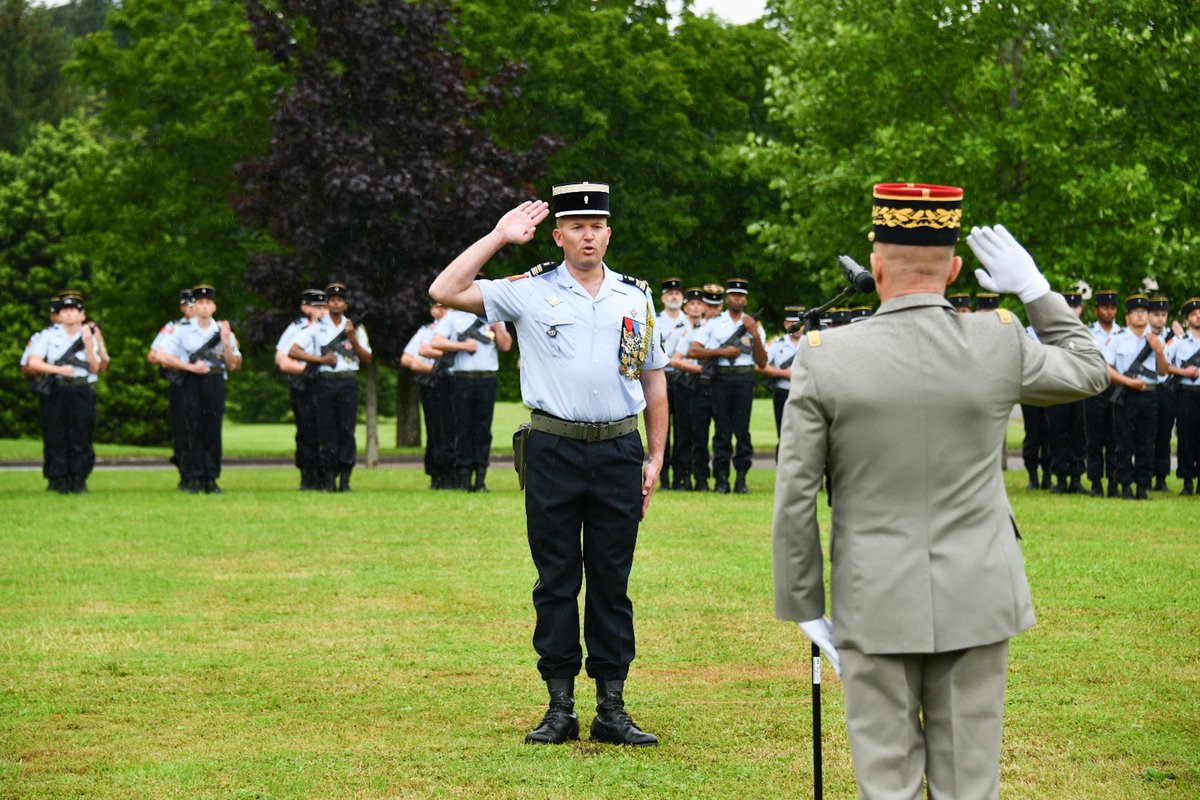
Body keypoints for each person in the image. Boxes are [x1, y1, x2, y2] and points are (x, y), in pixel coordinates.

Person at [772, 183, 1109, 800]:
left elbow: (795, 494)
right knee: (968, 785)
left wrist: (805, 603)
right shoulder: (1000, 338)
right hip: (977, 591)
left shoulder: (824, 355)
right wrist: (1035, 290)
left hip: (871, 595)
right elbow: (1089, 367)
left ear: (875, 266)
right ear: (955, 269)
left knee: (886, 782)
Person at [429, 181, 667, 748]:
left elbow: (653, 379)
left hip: (618, 450)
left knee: (612, 580)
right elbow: (444, 287)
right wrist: (498, 235)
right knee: (557, 579)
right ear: (558, 235)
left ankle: (612, 705)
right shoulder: (528, 292)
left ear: (609, 233)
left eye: (598, 226)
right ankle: (560, 706)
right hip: (553, 450)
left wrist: (656, 455)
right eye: (577, 227)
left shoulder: (634, 297)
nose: (589, 235)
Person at [157, 284, 242, 494]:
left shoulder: (223, 331)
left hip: (214, 381)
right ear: (194, 306)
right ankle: (193, 476)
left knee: (212, 430)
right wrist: (188, 366)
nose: (204, 307)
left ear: (214, 306)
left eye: (208, 303)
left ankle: (211, 477)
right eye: (200, 303)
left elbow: (233, 364)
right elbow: (163, 355)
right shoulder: (181, 330)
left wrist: (226, 342)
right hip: (191, 381)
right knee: (193, 428)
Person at [289, 282, 372, 492]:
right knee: (326, 430)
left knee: (347, 430)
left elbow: (367, 358)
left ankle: (345, 477)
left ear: (345, 304)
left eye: (340, 300)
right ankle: (328, 477)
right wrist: (320, 359)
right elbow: (294, 351)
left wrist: (352, 338)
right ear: (328, 303)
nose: (336, 303)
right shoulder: (317, 328)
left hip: (348, 381)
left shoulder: (355, 328)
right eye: (332, 300)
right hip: (324, 382)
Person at [688, 277, 767, 493]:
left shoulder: (753, 324)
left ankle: (741, 478)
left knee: (742, 430)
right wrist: (721, 352)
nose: (737, 298)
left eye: (741, 295)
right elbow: (693, 351)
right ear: (727, 298)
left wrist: (754, 334)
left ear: (746, 300)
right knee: (722, 430)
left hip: (744, 379)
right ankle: (721, 479)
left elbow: (762, 362)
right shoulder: (714, 324)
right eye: (733, 295)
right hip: (721, 379)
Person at [431, 298, 511, 492]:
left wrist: (499, 326)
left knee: (483, 430)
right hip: (462, 379)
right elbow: (436, 341)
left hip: (487, 379)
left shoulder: (493, 317)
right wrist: (462, 346)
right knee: (463, 428)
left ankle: (481, 478)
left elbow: (506, 346)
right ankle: (464, 477)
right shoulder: (453, 317)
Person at [26, 293, 102, 493]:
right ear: (58, 315)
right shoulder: (48, 335)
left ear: (81, 315)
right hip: (57, 389)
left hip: (81, 388)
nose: (68, 314)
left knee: (82, 434)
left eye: (73, 310)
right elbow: (34, 361)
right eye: (64, 311)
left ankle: (79, 478)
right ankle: (58, 478)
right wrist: (58, 370)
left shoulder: (90, 335)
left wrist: (89, 344)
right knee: (55, 434)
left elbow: (96, 367)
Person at [1104, 294, 1167, 500]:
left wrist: (1159, 352)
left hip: (1149, 395)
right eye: (1136, 312)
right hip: (1126, 395)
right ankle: (1125, 486)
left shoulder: (1155, 339)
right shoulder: (1118, 338)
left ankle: (1142, 486)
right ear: (1128, 317)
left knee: (1146, 442)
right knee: (1123, 443)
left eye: (1144, 312)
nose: (1140, 316)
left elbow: (1164, 371)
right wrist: (1128, 382)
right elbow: (1107, 368)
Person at [275, 289, 324, 490]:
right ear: (305, 308)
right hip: (304, 384)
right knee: (306, 430)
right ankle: (307, 474)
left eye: (324, 306)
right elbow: (281, 358)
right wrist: (304, 369)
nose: (321, 311)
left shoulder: (331, 329)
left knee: (326, 430)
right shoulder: (296, 328)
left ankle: (326, 474)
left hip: (326, 384)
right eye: (316, 306)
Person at [401, 301, 453, 489]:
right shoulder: (426, 331)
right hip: (433, 384)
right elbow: (408, 358)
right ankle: (436, 473)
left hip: (454, 383)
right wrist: (430, 366)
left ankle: (454, 471)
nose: (440, 309)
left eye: (444, 306)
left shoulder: (458, 327)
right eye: (436, 306)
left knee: (453, 430)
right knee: (435, 430)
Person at [148, 289, 196, 487]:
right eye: (189, 305)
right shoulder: (172, 328)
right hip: (182, 381)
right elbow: (154, 355)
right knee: (181, 429)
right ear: (182, 307)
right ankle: (186, 472)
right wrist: (175, 362)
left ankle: (204, 473)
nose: (192, 309)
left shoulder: (214, 329)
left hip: (206, 381)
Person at [1045, 290, 1089, 493]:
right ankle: (1060, 478)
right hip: (1057, 388)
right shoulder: (1049, 330)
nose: (1073, 310)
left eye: (1076, 306)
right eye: (1068, 306)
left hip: (1079, 389)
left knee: (1078, 434)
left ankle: (1076, 478)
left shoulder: (1086, 332)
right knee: (1058, 433)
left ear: (1081, 308)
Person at [667, 287, 707, 490]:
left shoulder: (708, 328)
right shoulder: (679, 330)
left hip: (703, 385)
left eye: (700, 304)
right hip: (682, 382)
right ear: (686, 307)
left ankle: (700, 476)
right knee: (682, 432)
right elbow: (671, 359)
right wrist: (694, 367)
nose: (696, 307)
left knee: (699, 432)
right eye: (692, 304)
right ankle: (680, 476)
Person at [1085, 290, 1122, 496]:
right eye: (1105, 307)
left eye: (1113, 308)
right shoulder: (1088, 333)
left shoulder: (1122, 333)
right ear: (1097, 309)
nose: (1109, 312)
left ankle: (1114, 483)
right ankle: (1096, 483)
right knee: (1094, 439)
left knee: (1115, 439)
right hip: (1095, 388)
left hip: (1117, 390)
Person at [1165, 297, 1200, 495]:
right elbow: (1164, 364)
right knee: (1186, 437)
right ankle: (1187, 481)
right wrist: (1182, 372)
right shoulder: (1179, 342)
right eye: (1194, 314)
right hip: (1186, 394)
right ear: (1187, 319)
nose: (1198, 316)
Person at [657, 277, 688, 490]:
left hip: (684, 377)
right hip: (662, 375)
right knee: (662, 426)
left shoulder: (692, 321)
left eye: (677, 294)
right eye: (670, 294)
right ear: (663, 298)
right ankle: (664, 475)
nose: (674, 296)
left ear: (683, 298)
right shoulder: (655, 319)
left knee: (684, 428)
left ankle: (681, 475)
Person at [762, 305, 805, 445]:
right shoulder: (776, 344)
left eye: (800, 323)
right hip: (783, 392)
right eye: (793, 323)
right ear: (786, 324)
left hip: (805, 392)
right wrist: (783, 373)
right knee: (783, 434)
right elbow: (761, 365)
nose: (797, 327)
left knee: (805, 434)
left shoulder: (810, 342)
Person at [1148, 296, 1176, 491]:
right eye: (1156, 314)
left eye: (1163, 315)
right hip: (1148, 388)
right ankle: (1146, 476)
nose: (1160, 319)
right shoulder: (1143, 337)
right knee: (1147, 435)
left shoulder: (1174, 338)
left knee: (1164, 436)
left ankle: (1161, 478)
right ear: (1149, 316)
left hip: (1166, 389)